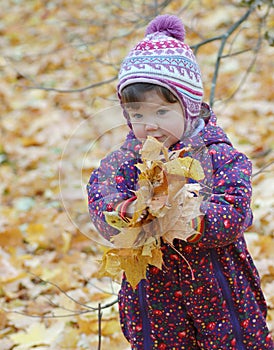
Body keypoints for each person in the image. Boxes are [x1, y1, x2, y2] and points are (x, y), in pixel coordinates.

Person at [87, 15, 274, 350]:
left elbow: (234, 210)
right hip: (154, 299)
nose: (149, 126)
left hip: (220, 292)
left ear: (188, 108)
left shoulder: (218, 156)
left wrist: (186, 217)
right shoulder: (127, 159)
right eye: (138, 115)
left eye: (161, 113)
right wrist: (128, 211)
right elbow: (101, 196)